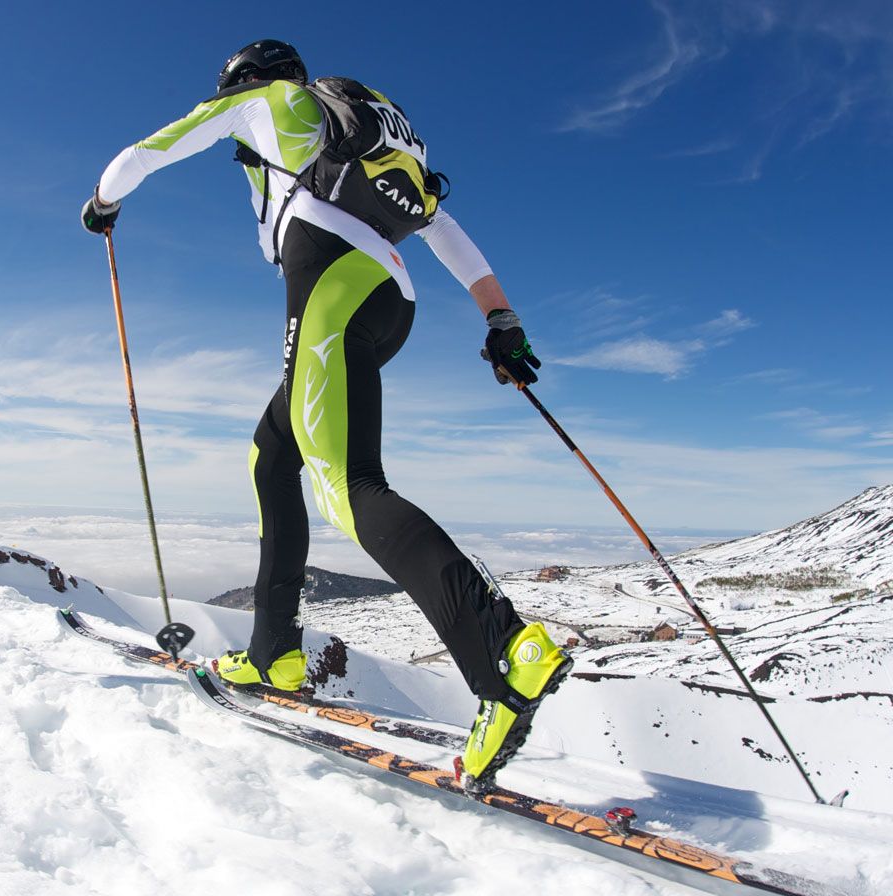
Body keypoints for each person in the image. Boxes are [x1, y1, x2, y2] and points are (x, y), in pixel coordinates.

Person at [83, 39, 570, 788]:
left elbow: (146, 153)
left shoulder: (263, 103)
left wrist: (103, 202)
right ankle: (275, 646)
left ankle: (505, 655)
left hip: (330, 280)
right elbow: (444, 229)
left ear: (247, 80)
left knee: (349, 486)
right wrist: (500, 321)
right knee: (272, 453)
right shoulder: (365, 134)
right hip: (390, 297)